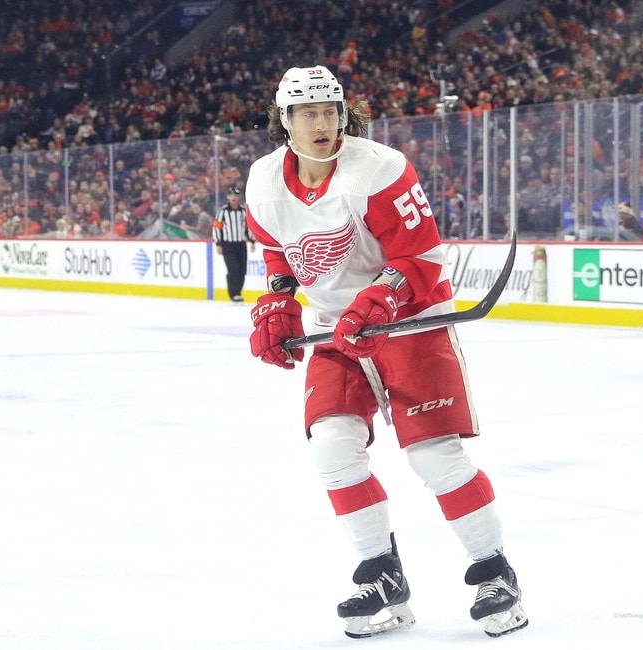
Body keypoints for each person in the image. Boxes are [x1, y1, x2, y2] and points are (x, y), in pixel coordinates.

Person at [245, 65, 528, 639]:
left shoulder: (377, 169)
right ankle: (382, 575)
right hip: (335, 332)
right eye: (308, 114)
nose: (323, 123)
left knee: (433, 456)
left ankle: (497, 574)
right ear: (285, 121)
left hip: (410, 325)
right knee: (331, 449)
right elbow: (278, 251)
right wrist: (278, 300)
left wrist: (378, 302)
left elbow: (421, 261)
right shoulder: (263, 180)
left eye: (331, 111)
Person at [213, 186, 255, 302]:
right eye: (231, 196)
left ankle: (238, 292)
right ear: (228, 197)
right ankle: (234, 293)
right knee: (233, 268)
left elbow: (248, 227)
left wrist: (252, 241)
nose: (234, 198)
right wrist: (218, 244)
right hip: (228, 244)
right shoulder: (223, 211)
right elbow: (217, 228)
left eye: (236, 196)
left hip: (241, 244)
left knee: (242, 269)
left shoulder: (243, 211)